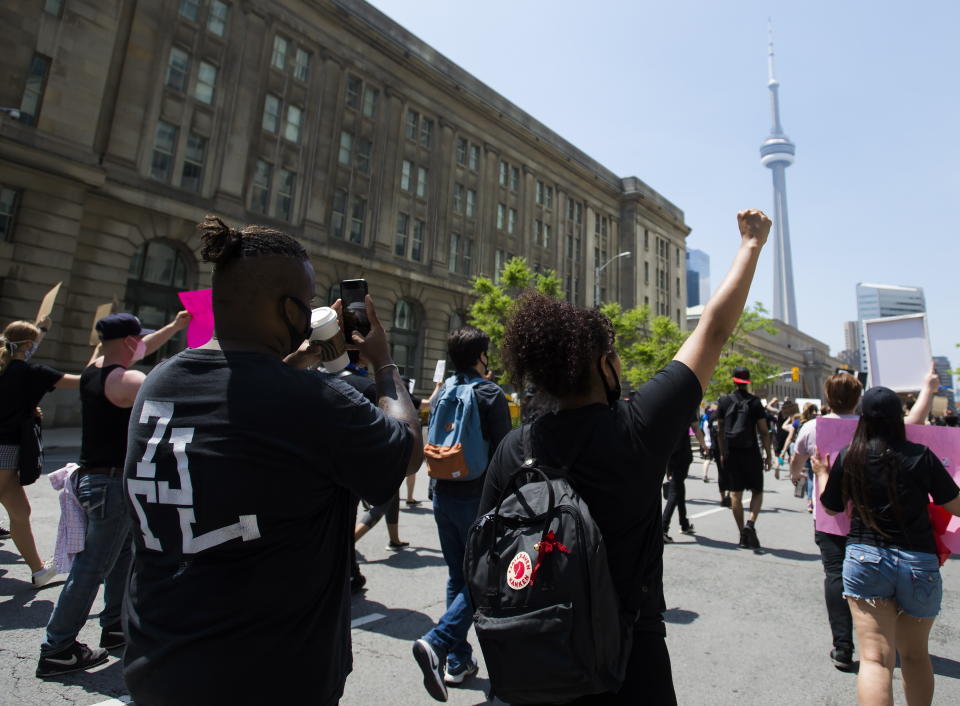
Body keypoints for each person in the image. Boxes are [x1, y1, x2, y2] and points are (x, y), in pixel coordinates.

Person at [120, 217, 421, 704]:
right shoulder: (314, 401)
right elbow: (406, 451)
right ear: (289, 309)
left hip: (160, 663)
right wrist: (385, 363)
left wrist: (303, 355)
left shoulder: (162, 382)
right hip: (268, 676)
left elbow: (248, 388)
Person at [475, 209, 771, 704]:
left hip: (534, 654)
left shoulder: (516, 447)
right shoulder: (636, 428)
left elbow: (482, 549)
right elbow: (713, 331)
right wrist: (751, 245)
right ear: (603, 366)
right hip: (630, 656)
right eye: (612, 353)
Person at [36, 309, 190, 678]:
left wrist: (174, 327)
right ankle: (57, 647)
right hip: (111, 483)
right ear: (130, 342)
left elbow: (136, 349)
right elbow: (161, 385)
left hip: (99, 481)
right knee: (92, 568)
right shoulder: (126, 381)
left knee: (123, 558)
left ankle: (115, 627)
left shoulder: (95, 368)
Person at [814, 386, 960, 706]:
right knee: (916, 655)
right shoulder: (921, 456)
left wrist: (823, 474)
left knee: (875, 660)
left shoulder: (850, 455)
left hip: (865, 558)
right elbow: (956, 506)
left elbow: (831, 507)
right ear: (899, 418)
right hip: (918, 561)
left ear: (862, 418)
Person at [413, 326, 511, 701]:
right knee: (484, 578)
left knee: (458, 576)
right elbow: (504, 452)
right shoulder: (488, 393)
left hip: (442, 493)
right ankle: (438, 643)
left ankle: (458, 661)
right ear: (480, 356)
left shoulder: (443, 394)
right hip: (478, 498)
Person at [0, 317, 91, 588]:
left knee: (21, 511)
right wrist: (98, 354)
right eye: (35, 344)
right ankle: (38, 570)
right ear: (27, 345)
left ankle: (39, 571)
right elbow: (84, 379)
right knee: (18, 511)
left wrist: (26, 411)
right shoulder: (31, 373)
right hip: (5, 449)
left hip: (8, 448)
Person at [790, 374, 862, 671]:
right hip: (867, 513)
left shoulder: (812, 427)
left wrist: (796, 474)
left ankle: (843, 645)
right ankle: (880, 639)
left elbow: (797, 458)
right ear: (857, 398)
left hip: (827, 514)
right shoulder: (867, 426)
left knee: (835, 575)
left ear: (828, 397)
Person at [714, 367, 772, 550]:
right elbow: (763, 431)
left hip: (731, 453)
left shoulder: (723, 402)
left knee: (735, 495)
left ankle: (741, 534)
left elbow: (720, 431)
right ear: (748, 381)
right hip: (751, 452)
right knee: (757, 491)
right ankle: (751, 523)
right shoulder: (755, 403)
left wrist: (722, 453)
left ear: (733, 381)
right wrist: (768, 454)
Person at [662, 409, 706, 542]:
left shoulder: (666, 408)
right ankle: (663, 528)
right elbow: (696, 429)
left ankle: (684, 523)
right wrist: (703, 445)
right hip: (682, 453)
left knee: (678, 486)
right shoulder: (687, 407)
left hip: (669, 454)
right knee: (676, 489)